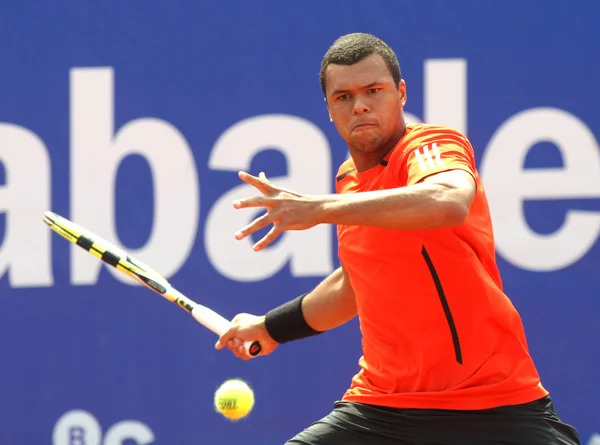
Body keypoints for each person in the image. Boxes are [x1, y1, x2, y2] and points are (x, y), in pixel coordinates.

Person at [215, 32, 581, 445]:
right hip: (382, 408)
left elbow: (448, 200)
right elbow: (354, 284)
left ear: (401, 93)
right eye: (344, 97)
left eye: (374, 91)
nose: (361, 105)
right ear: (330, 110)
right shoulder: (348, 180)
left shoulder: (429, 145)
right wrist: (270, 327)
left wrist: (320, 208)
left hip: (493, 404)